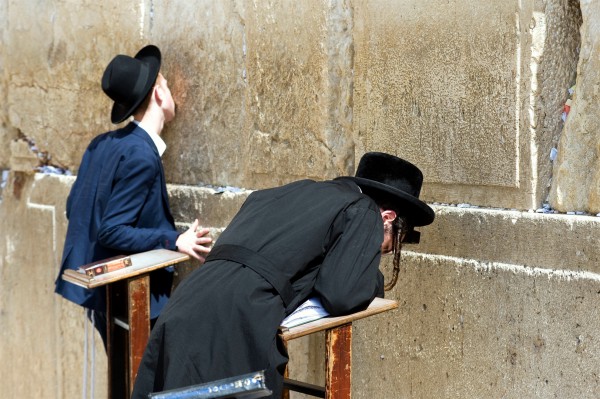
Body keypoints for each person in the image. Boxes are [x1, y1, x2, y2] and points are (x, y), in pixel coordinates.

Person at [132, 152, 435, 398]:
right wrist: (372, 280)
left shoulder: (287, 193)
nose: (379, 252)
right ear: (388, 218)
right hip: (235, 321)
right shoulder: (364, 210)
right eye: (389, 243)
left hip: (186, 302)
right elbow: (342, 293)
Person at [54, 45, 212, 347]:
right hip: (132, 301)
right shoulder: (141, 155)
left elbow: (73, 207)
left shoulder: (101, 144)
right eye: (166, 85)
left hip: (103, 299)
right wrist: (174, 240)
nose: (170, 92)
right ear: (158, 95)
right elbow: (111, 230)